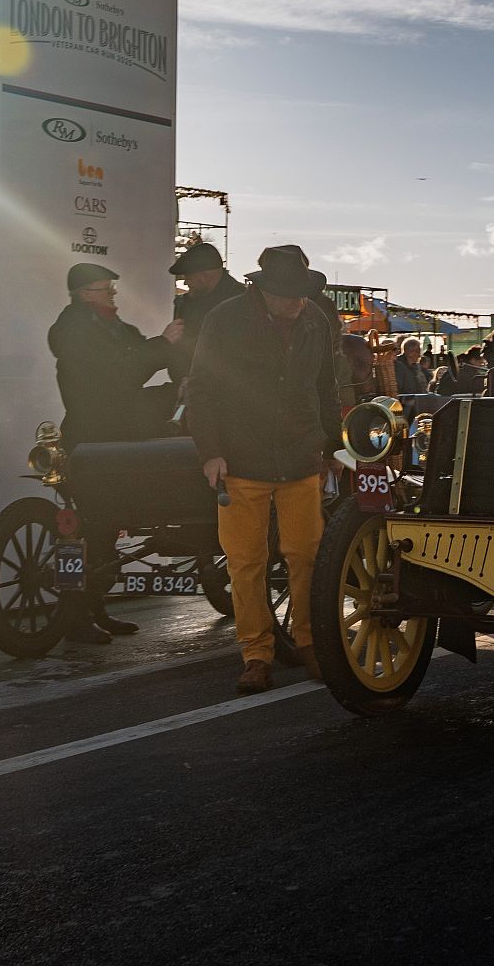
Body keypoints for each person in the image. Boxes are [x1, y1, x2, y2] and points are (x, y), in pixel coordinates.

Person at [189, 246, 343, 695]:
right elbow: (202, 388)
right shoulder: (225, 319)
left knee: (307, 556)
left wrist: (332, 444)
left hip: (299, 458)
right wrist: (210, 453)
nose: (297, 302)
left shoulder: (315, 319)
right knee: (245, 562)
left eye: (302, 293)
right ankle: (256, 655)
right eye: (288, 295)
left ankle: (309, 642)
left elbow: (326, 387)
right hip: (241, 459)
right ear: (264, 291)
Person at [48, 262, 185, 644]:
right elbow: (119, 373)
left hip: (117, 437)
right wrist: (162, 345)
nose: (112, 295)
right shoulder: (72, 330)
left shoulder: (114, 328)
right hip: (91, 439)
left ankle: (94, 609)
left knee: (104, 530)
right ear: (82, 294)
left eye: (111, 289)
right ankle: (74, 617)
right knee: (84, 532)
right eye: (105, 289)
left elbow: (138, 359)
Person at [167, 241, 242, 388]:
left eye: (188, 276)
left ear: (205, 276)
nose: (186, 282)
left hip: (225, 394)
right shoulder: (186, 303)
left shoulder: (241, 305)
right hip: (188, 388)